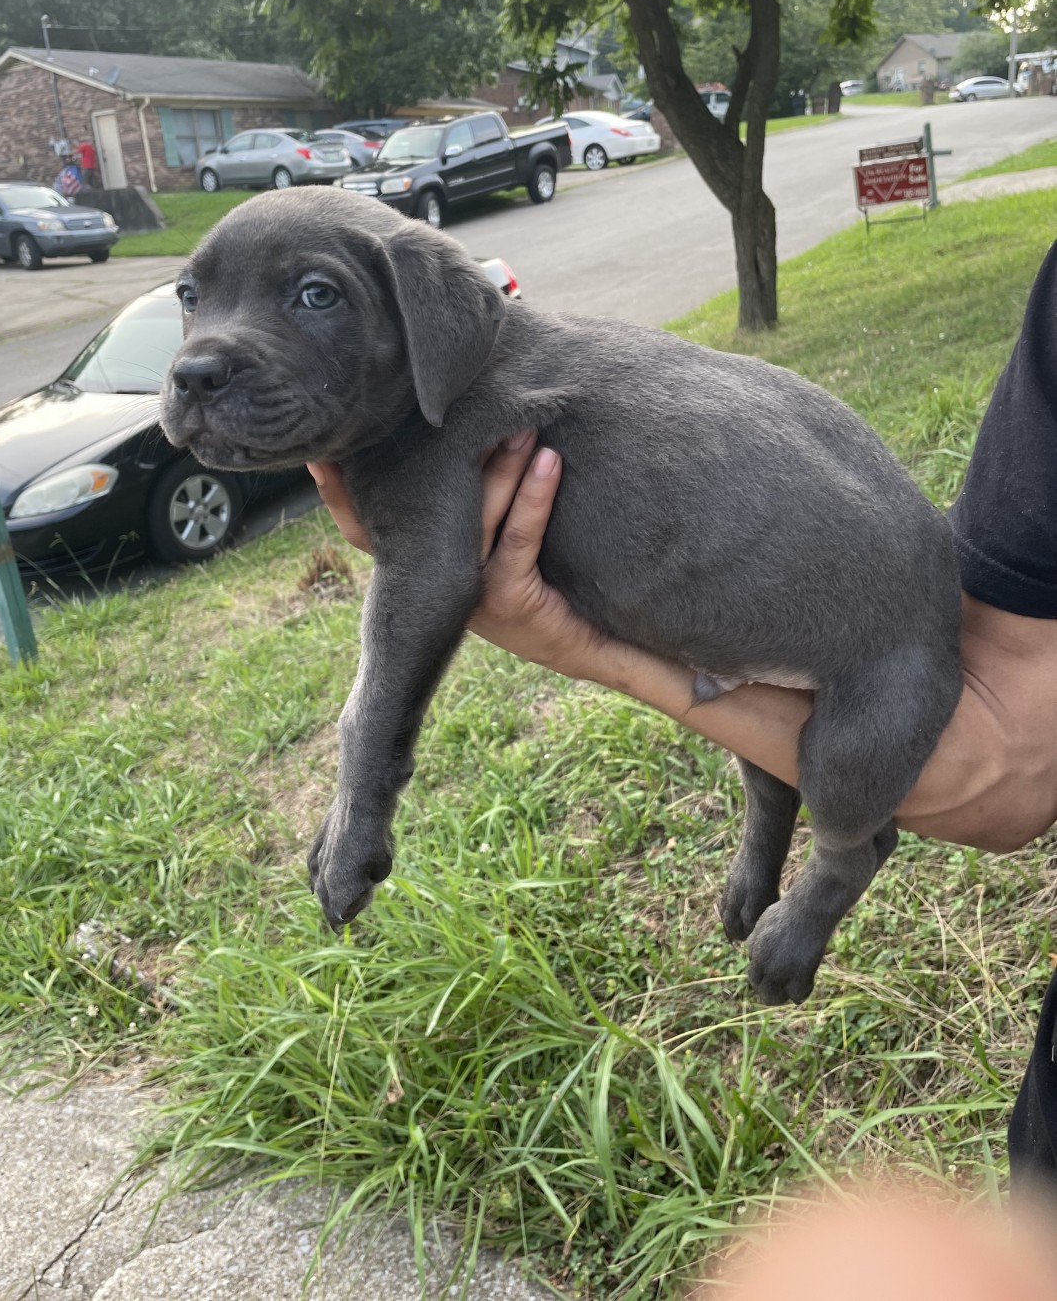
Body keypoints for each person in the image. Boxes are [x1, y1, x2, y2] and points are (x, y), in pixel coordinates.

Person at [308, 239, 1057, 1182]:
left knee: (845, 780)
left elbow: (421, 586)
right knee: (768, 718)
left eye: (312, 296)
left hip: (880, 658)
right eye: (191, 299)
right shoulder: (492, 379)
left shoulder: (456, 412)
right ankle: (766, 834)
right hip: (789, 603)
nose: (204, 353)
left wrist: (359, 796)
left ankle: (833, 871)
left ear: (425, 316)